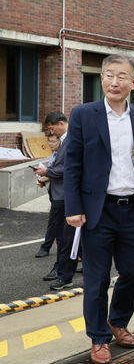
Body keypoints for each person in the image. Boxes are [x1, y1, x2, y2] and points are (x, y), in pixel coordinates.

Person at [64, 54, 134, 364]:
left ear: (133, 83)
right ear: (102, 79)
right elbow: (73, 165)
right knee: (96, 279)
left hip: (132, 208)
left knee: (132, 273)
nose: (114, 82)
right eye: (109, 75)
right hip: (98, 211)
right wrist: (74, 207)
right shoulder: (84, 114)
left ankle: (117, 321)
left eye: (122, 76)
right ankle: (98, 338)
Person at [34, 113, 80, 291]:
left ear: (61, 123)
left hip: (67, 196)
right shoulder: (66, 140)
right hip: (62, 194)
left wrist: (47, 172)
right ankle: (63, 270)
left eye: (52, 128)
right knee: (67, 236)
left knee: (65, 236)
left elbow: (68, 168)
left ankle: (64, 274)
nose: (51, 132)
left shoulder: (72, 140)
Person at [36, 133, 61, 262]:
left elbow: (57, 172)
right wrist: (43, 180)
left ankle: (46, 247)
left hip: (61, 195)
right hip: (53, 192)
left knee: (54, 222)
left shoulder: (62, 155)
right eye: (49, 141)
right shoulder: (54, 155)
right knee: (55, 222)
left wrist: (44, 176)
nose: (50, 144)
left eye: (53, 141)